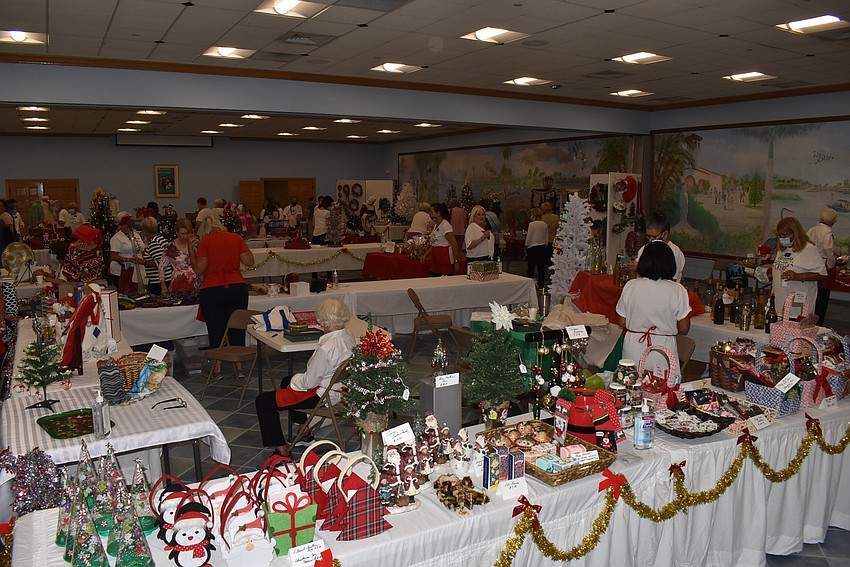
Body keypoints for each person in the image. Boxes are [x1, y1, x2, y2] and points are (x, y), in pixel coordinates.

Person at [254, 298, 356, 457]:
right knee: (286, 381)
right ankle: (304, 431)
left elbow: (309, 382)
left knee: (263, 401)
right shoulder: (348, 336)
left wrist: (295, 382)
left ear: (323, 320)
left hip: (322, 395)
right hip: (341, 389)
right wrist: (293, 381)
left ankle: (281, 449)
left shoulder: (327, 347)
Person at [189, 216, 254, 380]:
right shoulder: (235, 238)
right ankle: (239, 368)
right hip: (237, 286)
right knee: (237, 328)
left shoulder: (206, 242)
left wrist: (191, 250)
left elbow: (199, 269)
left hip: (212, 289)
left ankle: (217, 370)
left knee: (216, 329)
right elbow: (249, 261)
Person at [616, 241, 691, 377]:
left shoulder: (631, 286)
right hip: (663, 350)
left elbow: (621, 322)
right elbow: (684, 328)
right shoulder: (677, 290)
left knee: (631, 387)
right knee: (663, 390)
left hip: (634, 347)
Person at [771, 216, 826, 319]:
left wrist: (798, 276)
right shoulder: (782, 250)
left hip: (799, 307)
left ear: (795, 233)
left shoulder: (809, 249)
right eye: (780, 235)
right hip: (780, 304)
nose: (783, 238)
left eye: (786, 235)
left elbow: (821, 274)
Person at [807, 208, 843, 325]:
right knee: (822, 299)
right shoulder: (827, 233)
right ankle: (818, 324)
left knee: (812, 297)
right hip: (823, 267)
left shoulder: (812, 230)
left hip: (810, 265)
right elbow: (829, 251)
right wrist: (833, 264)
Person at [633, 211, 686, 282]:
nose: (650, 240)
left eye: (653, 237)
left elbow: (671, 281)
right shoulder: (644, 248)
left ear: (665, 234)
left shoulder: (675, 252)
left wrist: (639, 268)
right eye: (648, 237)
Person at [108, 211, 147, 291]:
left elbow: (142, 248)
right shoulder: (117, 238)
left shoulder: (136, 235)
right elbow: (113, 256)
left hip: (138, 268)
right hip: (122, 270)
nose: (128, 228)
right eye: (125, 225)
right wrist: (128, 260)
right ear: (121, 225)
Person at [422, 202, 460, 276]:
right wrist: (426, 254)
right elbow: (435, 243)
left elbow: (454, 243)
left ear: (438, 213)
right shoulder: (436, 225)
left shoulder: (445, 226)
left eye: (432, 212)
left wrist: (456, 261)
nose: (430, 214)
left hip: (444, 257)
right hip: (436, 258)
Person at [163, 218, 199, 293]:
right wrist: (163, 286)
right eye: (182, 234)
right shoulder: (170, 247)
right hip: (178, 284)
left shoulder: (196, 244)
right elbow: (161, 267)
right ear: (176, 232)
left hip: (197, 283)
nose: (185, 236)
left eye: (187, 233)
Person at [140, 216, 173, 295]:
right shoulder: (162, 240)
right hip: (168, 278)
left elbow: (160, 263)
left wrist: (143, 262)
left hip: (158, 282)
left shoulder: (154, 243)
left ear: (144, 230)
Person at [525, 207, 549, 288]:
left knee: (531, 267)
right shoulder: (544, 224)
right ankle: (541, 285)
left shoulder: (532, 224)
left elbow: (529, 237)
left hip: (533, 248)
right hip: (542, 247)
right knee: (541, 268)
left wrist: (526, 245)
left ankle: (529, 284)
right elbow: (546, 237)